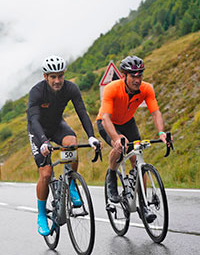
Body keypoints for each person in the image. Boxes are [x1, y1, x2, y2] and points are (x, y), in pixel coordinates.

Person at [27, 55, 101, 236]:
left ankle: (71, 183)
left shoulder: (71, 88)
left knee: (72, 143)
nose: (57, 80)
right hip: (38, 131)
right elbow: (34, 119)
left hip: (57, 126)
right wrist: (43, 141)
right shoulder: (37, 92)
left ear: (64, 74)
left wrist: (91, 137)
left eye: (60, 76)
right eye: (53, 76)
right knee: (45, 173)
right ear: (46, 77)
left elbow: (82, 112)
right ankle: (42, 214)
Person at [96, 55, 170, 223]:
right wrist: (116, 138)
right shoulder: (112, 88)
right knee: (120, 147)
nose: (137, 79)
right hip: (106, 122)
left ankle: (143, 204)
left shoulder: (147, 89)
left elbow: (155, 112)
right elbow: (106, 118)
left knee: (137, 158)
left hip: (128, 122)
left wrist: (161, 133)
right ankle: (112, 176)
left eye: (140, 75)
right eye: (133, 75)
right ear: (124, 75)